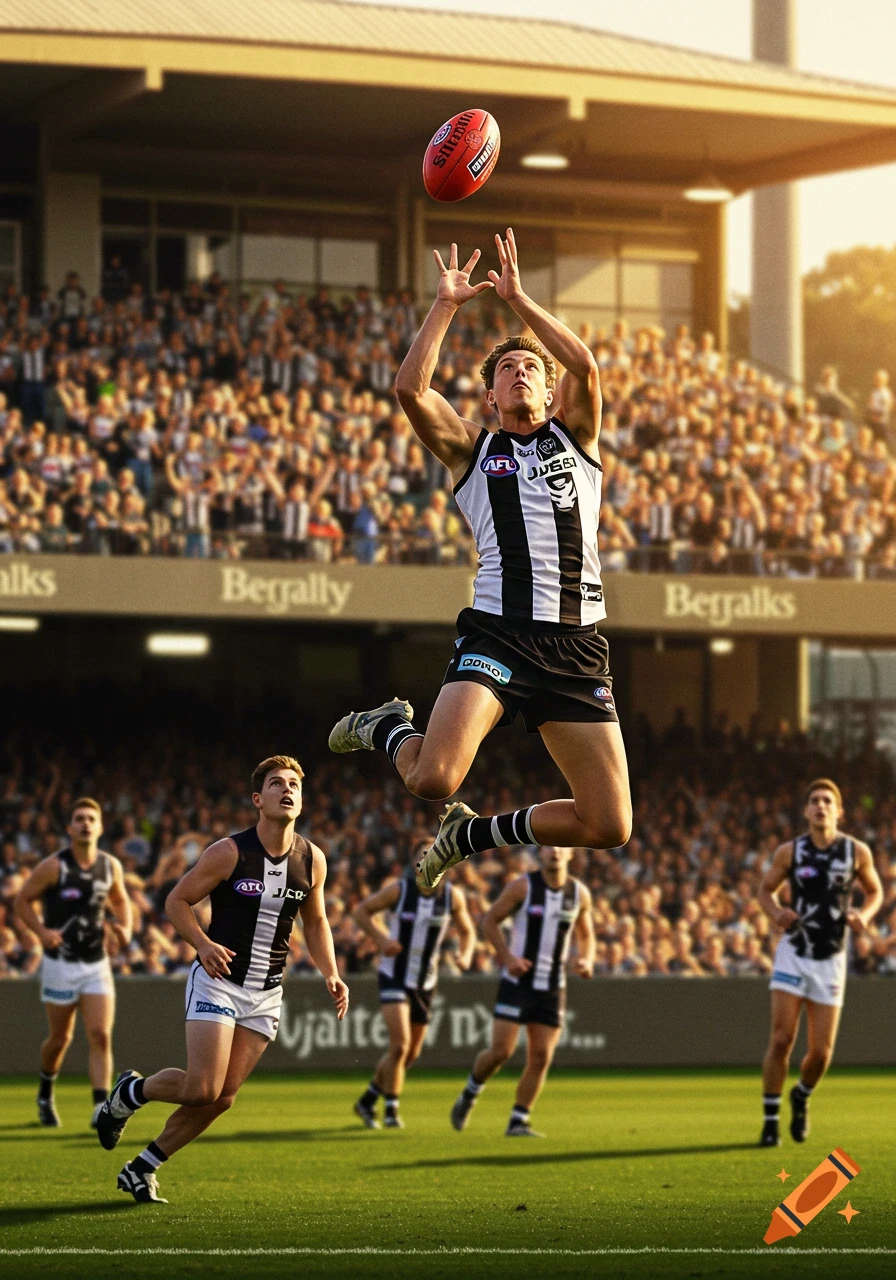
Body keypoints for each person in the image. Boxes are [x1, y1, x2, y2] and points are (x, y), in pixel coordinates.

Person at [329, 230, 632, 891]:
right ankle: (387, 728)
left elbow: (586, 368)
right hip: (498, 633)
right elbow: (411, 390)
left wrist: (520, 302)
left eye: (531, 368)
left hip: (577, 645)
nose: (520, 372)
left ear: (550, 393)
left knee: (610, 824)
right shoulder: (474, 449)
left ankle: (471, 834)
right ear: (489, 396)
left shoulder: (575, 437)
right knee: (432, 777)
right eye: (505, 370)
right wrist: (445, 307)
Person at [94, 755, 349, 1203]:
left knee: (222, 1098)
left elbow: (317, 922)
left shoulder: (312, 860)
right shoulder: (230, 851)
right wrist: (202, 944)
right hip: (220, 982)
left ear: (302, 800)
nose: (287, 790)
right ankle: (130, 1092)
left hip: (266, 991)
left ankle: (142, 1167)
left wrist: (331, 971)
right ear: (258, 799)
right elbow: (177, 901)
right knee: (202, 1087)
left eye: (294, 784)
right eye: (276, 784)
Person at [756, 778, 882, 1148]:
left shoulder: (856, 852)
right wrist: (776, 912)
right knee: (781, 1039)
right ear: (806, 810)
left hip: (831, 957)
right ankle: (770, 1119)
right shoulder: (790, 852)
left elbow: (875, 891)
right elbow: (765, 891)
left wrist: (867, 915)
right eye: (815, 800)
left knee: (821, 1053)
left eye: (828, 801)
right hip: (794, 951)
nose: (821, 806)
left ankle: (802, 1095)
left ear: (839, 811)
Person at [446, 846, 592, 1137]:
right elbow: (489, 921)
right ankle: (471, 1092)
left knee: (541, 1056)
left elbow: (586, 934)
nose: (554, 851)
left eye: (561, 847)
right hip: (518, 983)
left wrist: (586, 959)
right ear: (540, 852)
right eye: (548, 846)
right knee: (501, 1051)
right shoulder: (523, 887)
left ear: (571, 853)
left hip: (552, 986)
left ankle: (519, 1119)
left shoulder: (578, 894)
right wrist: (507, 958)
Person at [14, 797, 132, 1129]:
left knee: (100, 1035)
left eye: (91, 819)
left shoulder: (110, 866)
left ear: (100, 826)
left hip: (96, 962)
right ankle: (45, 1092)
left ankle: (100, 1108)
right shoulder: (54, 866)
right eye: (79, 819)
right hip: (60, 964)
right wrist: (41, 932)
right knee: (60, 1038)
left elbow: (122, 900)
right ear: (69, 828)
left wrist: (125, 928)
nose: (85, 824)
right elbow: (22, 901)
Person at [351, 855, 475, 1129]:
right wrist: (382, 939)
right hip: (394, 974)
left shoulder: (452, 897)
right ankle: (392, 1110)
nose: (427, 860)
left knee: (410, 1054)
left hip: (425, 981)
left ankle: (368, 1099)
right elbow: (361, 911)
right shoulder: (401, 889)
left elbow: (467, 931)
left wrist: (465, 955)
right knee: (400, 1045)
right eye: (421, 855)